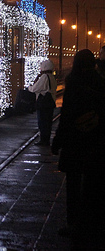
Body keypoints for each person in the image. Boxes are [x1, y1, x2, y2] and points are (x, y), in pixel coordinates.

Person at [51, 49, 105, 244]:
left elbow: (66, 116)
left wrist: (57, 140)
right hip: (95, 142)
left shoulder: (73, 82)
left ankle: (73, 223)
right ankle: (90, 223)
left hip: (75, 142)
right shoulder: (99, 82)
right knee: (92, 185)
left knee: (73, 185)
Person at [28, 59, 56, 145]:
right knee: (48, 122)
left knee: (42, 122)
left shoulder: (44, 77)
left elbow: (35, 88)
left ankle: (43, 140)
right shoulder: (52, 76)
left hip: (43, 104)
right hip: (50, 103)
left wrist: (29, 87)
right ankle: (46, 139)